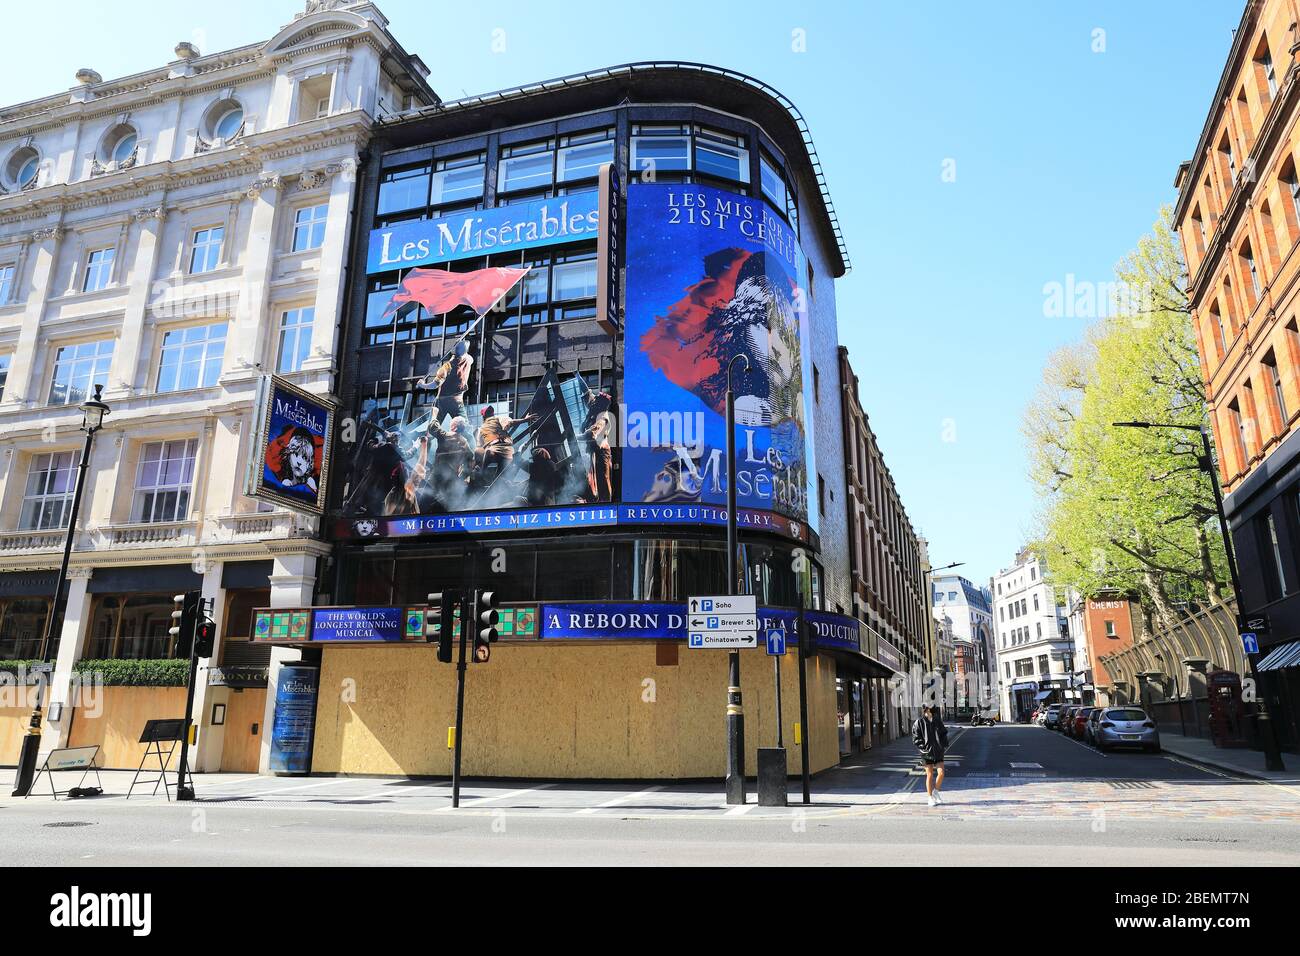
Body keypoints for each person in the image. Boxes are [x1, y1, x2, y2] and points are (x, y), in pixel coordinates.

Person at [911, 704, 949, 807]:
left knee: (941, 773)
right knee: (930, 775)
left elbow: (943, 733)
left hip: (938, 751)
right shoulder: (919, 722)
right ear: (926, 709)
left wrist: (943, 746)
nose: (932, 710)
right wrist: (923, 749)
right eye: (930, 708)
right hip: (926, 752)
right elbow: (916, 738)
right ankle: (930, 798)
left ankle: (935, 792)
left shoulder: (937, 721)